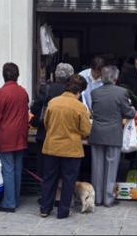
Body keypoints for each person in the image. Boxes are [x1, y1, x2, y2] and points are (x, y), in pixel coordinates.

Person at [40, 74, 92, 219]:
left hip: (51, 146)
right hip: (71, 149)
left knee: (49, 178)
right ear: (80, 91)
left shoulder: (53, 102)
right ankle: (63, 211)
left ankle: (45, 208)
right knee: (69, 181)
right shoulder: (80, 107)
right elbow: (86, 131)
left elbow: (47, 123)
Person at [89, 66, 136, 207]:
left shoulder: (94, 92)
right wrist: (133, 110)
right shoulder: (121, 92)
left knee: (97, 167)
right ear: (116, 78)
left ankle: (97, 199)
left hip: (97, 133)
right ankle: (108, 199)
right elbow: (128, 113)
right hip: (113, 133)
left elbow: (94, 111)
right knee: (111, 167)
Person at [0, 63, 29, 213]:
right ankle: (15, 199)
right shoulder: (23, 92)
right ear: (17, 75)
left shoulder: (0, 94)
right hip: (21, 135)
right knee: (17, 169)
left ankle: (9, 202)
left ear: (3, 75)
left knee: (8, 169)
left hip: (6, 136)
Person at [30, 63, 74, 178]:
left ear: (56, 74)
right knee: (64, 170)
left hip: (45, 133)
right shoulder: (73, 92)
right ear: (70, 77)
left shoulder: (46, 89)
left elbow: (34, 109)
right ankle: (60, 193)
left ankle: (45, 194)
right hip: (66, 135)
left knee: (46, 170)